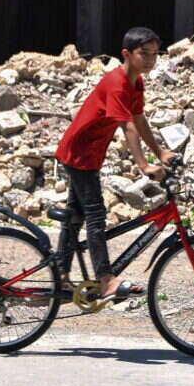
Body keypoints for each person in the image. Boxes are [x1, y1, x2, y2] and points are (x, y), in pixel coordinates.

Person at [54, 26, 174, 303]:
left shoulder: (136, 83)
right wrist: (144, 166)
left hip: (91, 154)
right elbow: (127, 126)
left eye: (155, 54)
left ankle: (60, 274)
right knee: (95, 215)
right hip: (79, 153)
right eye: (144, 54)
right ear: (126, 54)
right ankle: (106, 279)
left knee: (75, 216)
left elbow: (139, 119)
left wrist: (160, 153)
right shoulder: (117, 83)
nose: (151, 60)